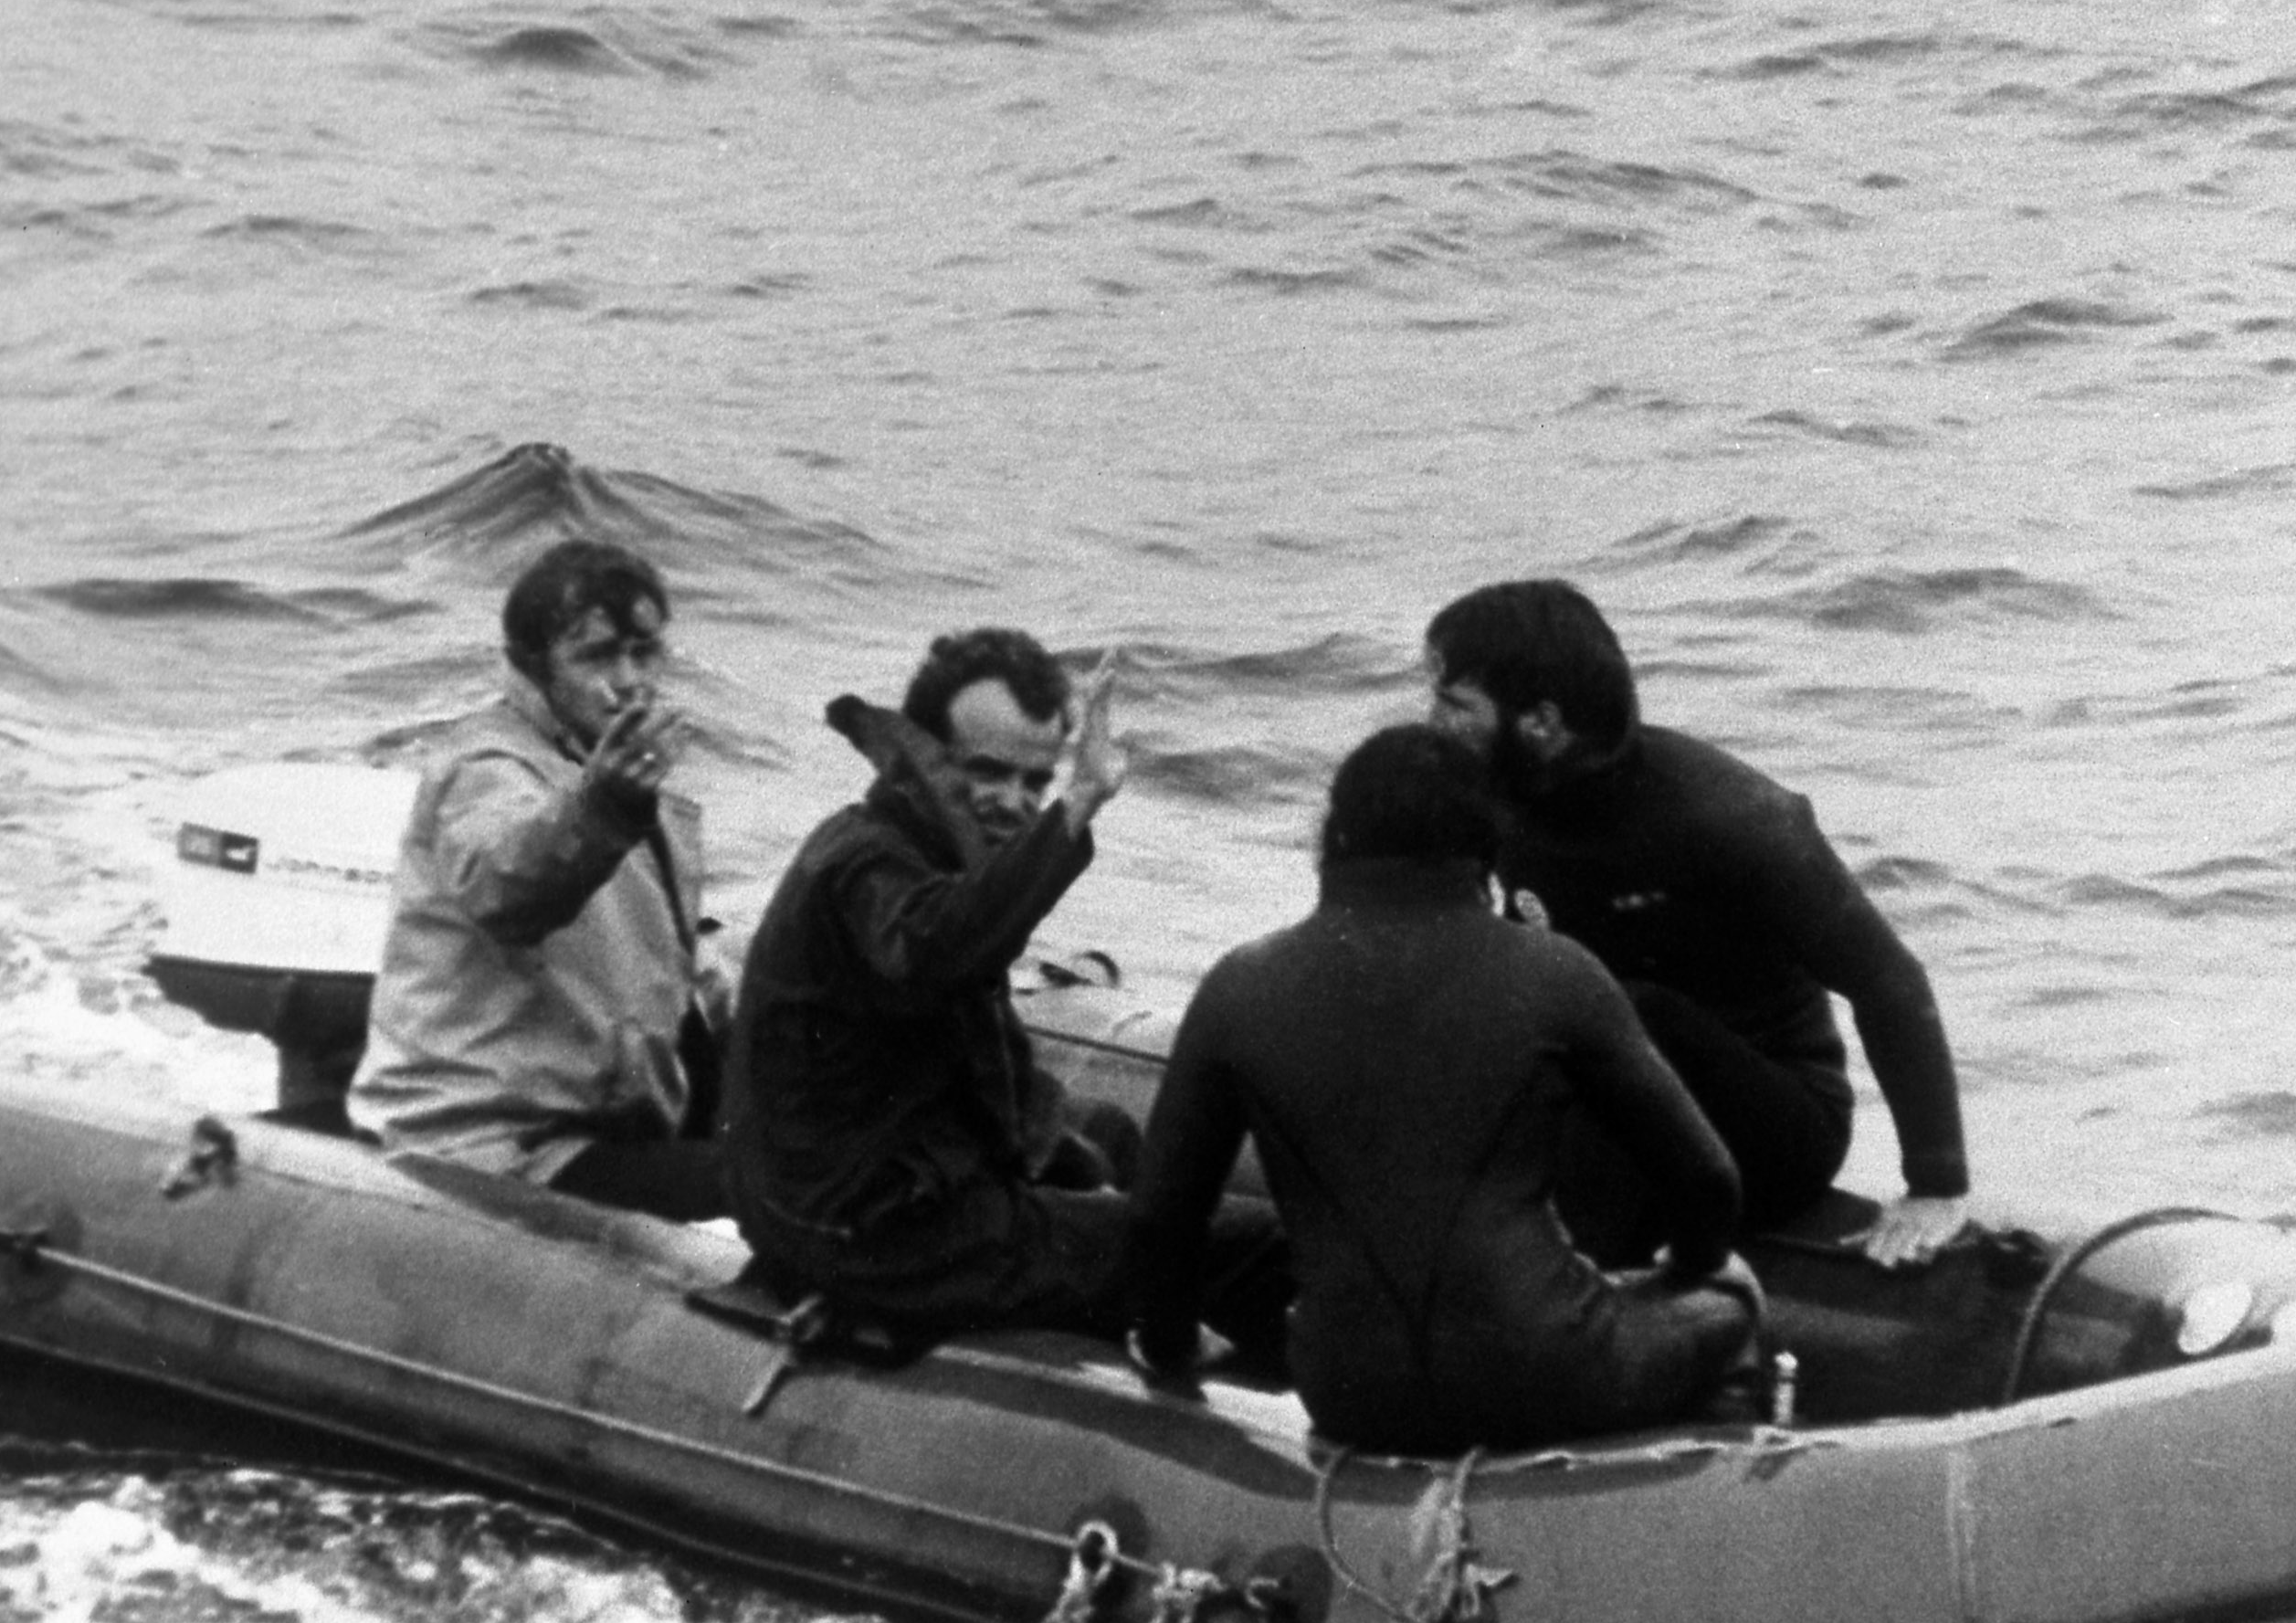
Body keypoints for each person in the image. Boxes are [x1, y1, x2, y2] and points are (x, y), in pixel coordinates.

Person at [1126, 726, 1756, 1454]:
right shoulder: (1556, 973)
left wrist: (1171, 1346)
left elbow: (1159, 1219)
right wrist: (1688, 1267)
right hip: (1548, 1373)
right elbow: (1708, 1182)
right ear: (1490, 844)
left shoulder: (1238, 985)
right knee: (1732, 1294)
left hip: (1347, 1393)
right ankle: (1698, 1505)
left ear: (1331, 838)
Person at [726, 629, 1283, 1343]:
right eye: (989, 772)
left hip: (883, 1198)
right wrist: (1074, 807)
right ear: (925, 755)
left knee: (1106, 1135)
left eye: (1036, 782)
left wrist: (1085, 1179)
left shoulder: (933, 861)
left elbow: (992, 1071)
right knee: (1261, 1244)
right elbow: (936, 947)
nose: (1016, 803)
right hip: (875, 1235)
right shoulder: (865, 865)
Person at [1424, 577, 1972, 1267]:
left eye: (1452, 704)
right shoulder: (1499, 798)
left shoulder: (1732, 820)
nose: (1432, 720)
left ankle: (1562, 1302)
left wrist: (1935, 1183)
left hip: (1773, 1128)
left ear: (1541, 722)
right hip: (1626, 1104)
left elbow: (1891, 982)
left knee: (1625, 1007)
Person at [348, 537, 729, 1218]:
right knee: (760, 1192)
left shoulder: (610, 774)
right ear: (535, 667)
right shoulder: (489, 767)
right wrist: (604, 808)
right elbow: (507, 883)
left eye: (643, 654)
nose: (629, 681)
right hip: (488, 1139)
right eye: (596, 656)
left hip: (600, 1116)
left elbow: (658, 954)